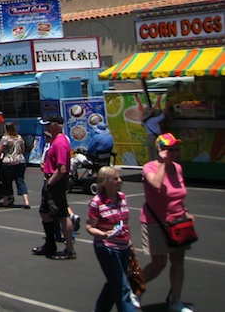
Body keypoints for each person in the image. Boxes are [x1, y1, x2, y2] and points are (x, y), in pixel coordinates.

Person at [139, 133, 194, 312]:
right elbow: (156, 186)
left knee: (178, 261)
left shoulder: (178, 168)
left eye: (176, 150)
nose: (175, 153)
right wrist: (162, 164)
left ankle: (175, 302)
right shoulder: (150, 167)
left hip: (178, 221)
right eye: (171, 150)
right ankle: (134, 289)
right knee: (159, 263)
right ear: (161, 151)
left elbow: (178, 195)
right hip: (156, 222)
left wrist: (186, 212)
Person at [86, 166, 139, 312]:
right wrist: (101, 234)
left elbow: (125, 224)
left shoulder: (122, 197)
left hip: (124, 247)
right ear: (105, 182)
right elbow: (89, 227)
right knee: (122, 288)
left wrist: (131, 245)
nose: (119, 181)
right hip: (107, 248)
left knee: (113, 283)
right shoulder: (97, 202)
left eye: (119, 178)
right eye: (115, 178)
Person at [32, 114, 76, 260]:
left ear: (56, 125)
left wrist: (51, 182)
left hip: (55, 182)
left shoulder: (60, 142)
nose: (46, 127)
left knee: (62, 214)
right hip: (50, 180)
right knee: (45, 212)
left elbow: (62, 168)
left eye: (48, 125)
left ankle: (69, 249)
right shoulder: (56, 141)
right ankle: (50, 244)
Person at [0, 121, 30, 209]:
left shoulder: (5, 138)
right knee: (20, 180)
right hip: (20, 160)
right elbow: (23, 149)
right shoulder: (19, 137)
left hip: (9, 161)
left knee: (7, 182)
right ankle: (26, 201)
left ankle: (5, 200)